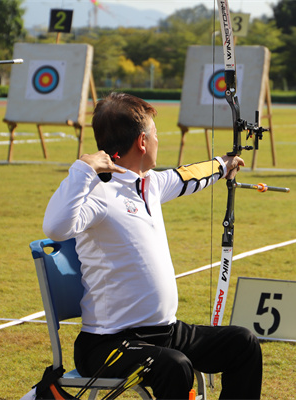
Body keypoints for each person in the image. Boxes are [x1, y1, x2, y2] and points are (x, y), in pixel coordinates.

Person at [43, 92, 262, 399]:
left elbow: (188, 176)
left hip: (164, 333)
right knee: (176, 366)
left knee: (243, 344)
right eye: (156, 135)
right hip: (109, 344)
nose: (159, 141)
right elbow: (55, 227)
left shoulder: (151, 183)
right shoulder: (98, 194)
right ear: (142, 142)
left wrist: (223, 165)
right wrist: (83, 168)